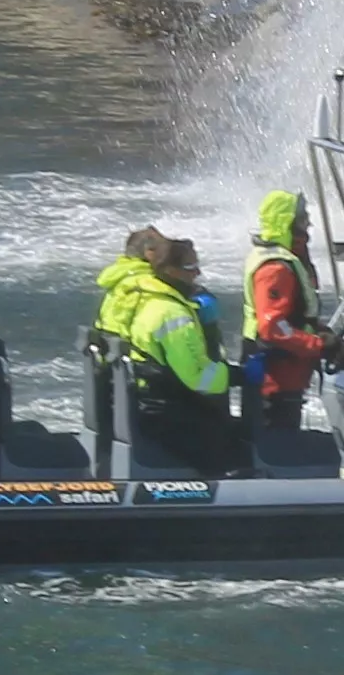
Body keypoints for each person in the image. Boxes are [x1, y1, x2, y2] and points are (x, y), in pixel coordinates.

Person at [98, 224, 243, 476]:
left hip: (134, 402)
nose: (197, 273)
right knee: (233, 450)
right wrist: (240, 376)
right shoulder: (169, 312)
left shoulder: (127, 293)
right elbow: (199, 378)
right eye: (190, 268)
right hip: (163, 411)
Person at [243, 189, 326, 439]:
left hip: (285, 374)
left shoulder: (283, 258)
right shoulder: (276, 268)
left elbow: (296, 314)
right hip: (275, 378)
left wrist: (320, 332)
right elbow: (274, 327)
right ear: (287, 222)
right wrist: (316, 344)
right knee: (277, 444)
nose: (308, 224)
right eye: (303, 219)